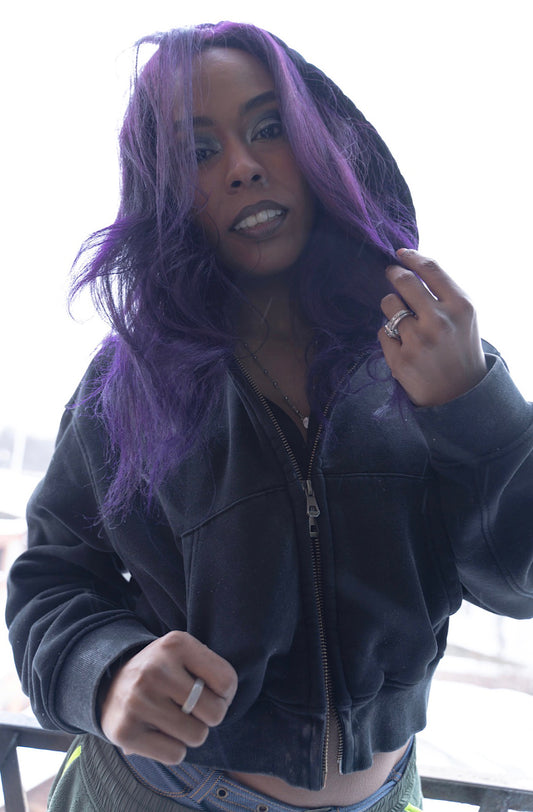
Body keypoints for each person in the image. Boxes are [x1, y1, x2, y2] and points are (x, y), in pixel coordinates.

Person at [6, 20, 533, 812]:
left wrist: (471, 406)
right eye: (197, 151)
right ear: (163, 191)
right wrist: (106, 673)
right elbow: (51, 579)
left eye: (268, 128)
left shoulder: (430, 349)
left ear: (323, 140)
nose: (243, 167)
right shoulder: (126, 382)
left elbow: (517, 585)